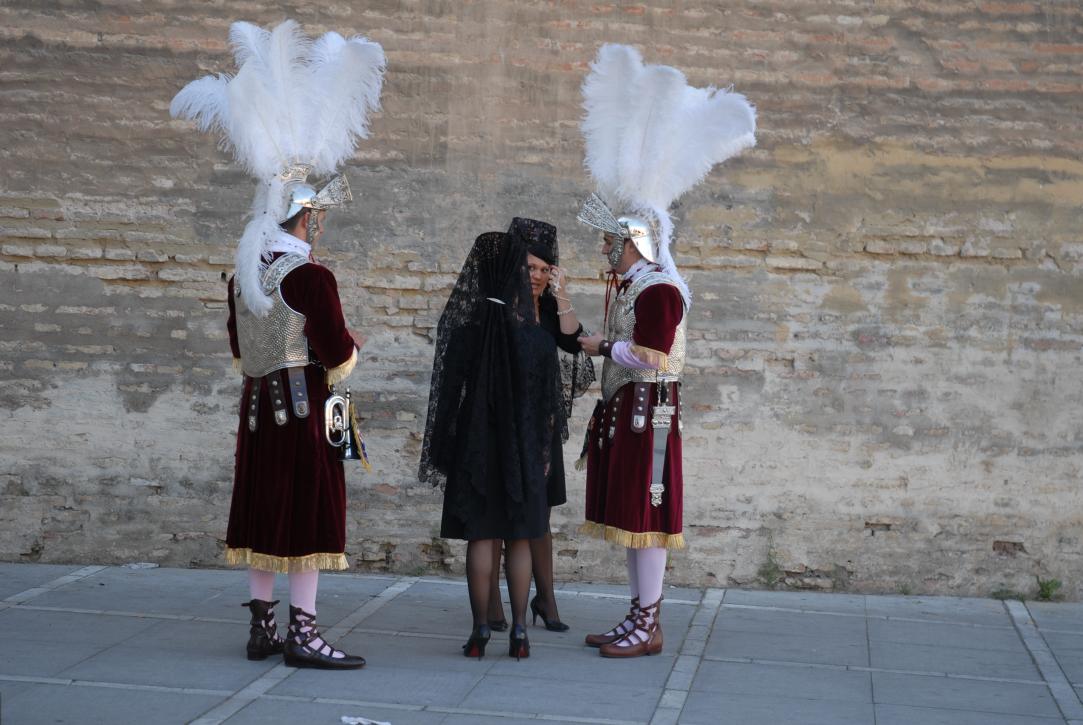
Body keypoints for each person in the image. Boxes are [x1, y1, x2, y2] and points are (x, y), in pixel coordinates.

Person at [170, 19, 385, 669]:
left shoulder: (244, 272)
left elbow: (242, 352)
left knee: (263, 516)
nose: (320, 224)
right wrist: (353, 349)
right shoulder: (311, 275)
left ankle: (262, 626)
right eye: (318, 215)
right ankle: (305, 631)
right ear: (308, 215)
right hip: (306, 413)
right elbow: (338, 353)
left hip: (259, 410)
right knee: (308, 521)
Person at [573, 44, 756, 658]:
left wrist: (604, 346)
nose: (605, 249)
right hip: (633, 412)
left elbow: (652, 355)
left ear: (635, 239)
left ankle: (648, 622)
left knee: (647, 523)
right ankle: (637, 615)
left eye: (611, 240)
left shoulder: (659, 291)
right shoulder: (635, 285)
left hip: (650, 414)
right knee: (632, 522)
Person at [419, 218, 567, 659]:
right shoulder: (538, 341)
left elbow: (446, 397)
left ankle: (480, 629)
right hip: (524, 452)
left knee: (482, 539)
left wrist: (449, 447)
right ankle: (520, 632)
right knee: (520, 539)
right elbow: (550, 409)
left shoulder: (467, 333)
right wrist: (541, 457)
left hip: (477, 450)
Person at [484, 223, 595, 633]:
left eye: (545, 269)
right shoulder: (497, 303)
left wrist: (562, 294)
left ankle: (545, 598)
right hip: (503, 426)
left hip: (541, 429)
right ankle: (493, 605)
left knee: (538, 517)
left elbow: (573, 343)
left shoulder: (548, 310)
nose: (537, 275)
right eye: (531, 266)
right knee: (498, 515)